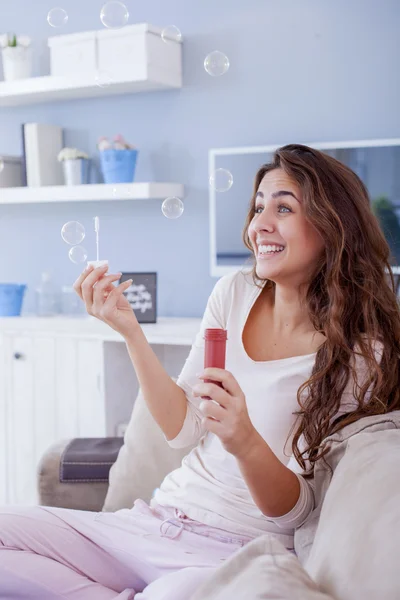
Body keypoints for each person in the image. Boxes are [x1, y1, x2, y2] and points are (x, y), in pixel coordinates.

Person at [0, 144, 398, 600]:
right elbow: (183, 428)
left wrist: (243, 438)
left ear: (333, 226)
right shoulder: (234, 292)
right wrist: (130, 332)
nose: (259, 225)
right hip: (154, 521)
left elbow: (296, 512)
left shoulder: (360, 352)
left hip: (233, 553)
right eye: (257, 207)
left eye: (283, 208)